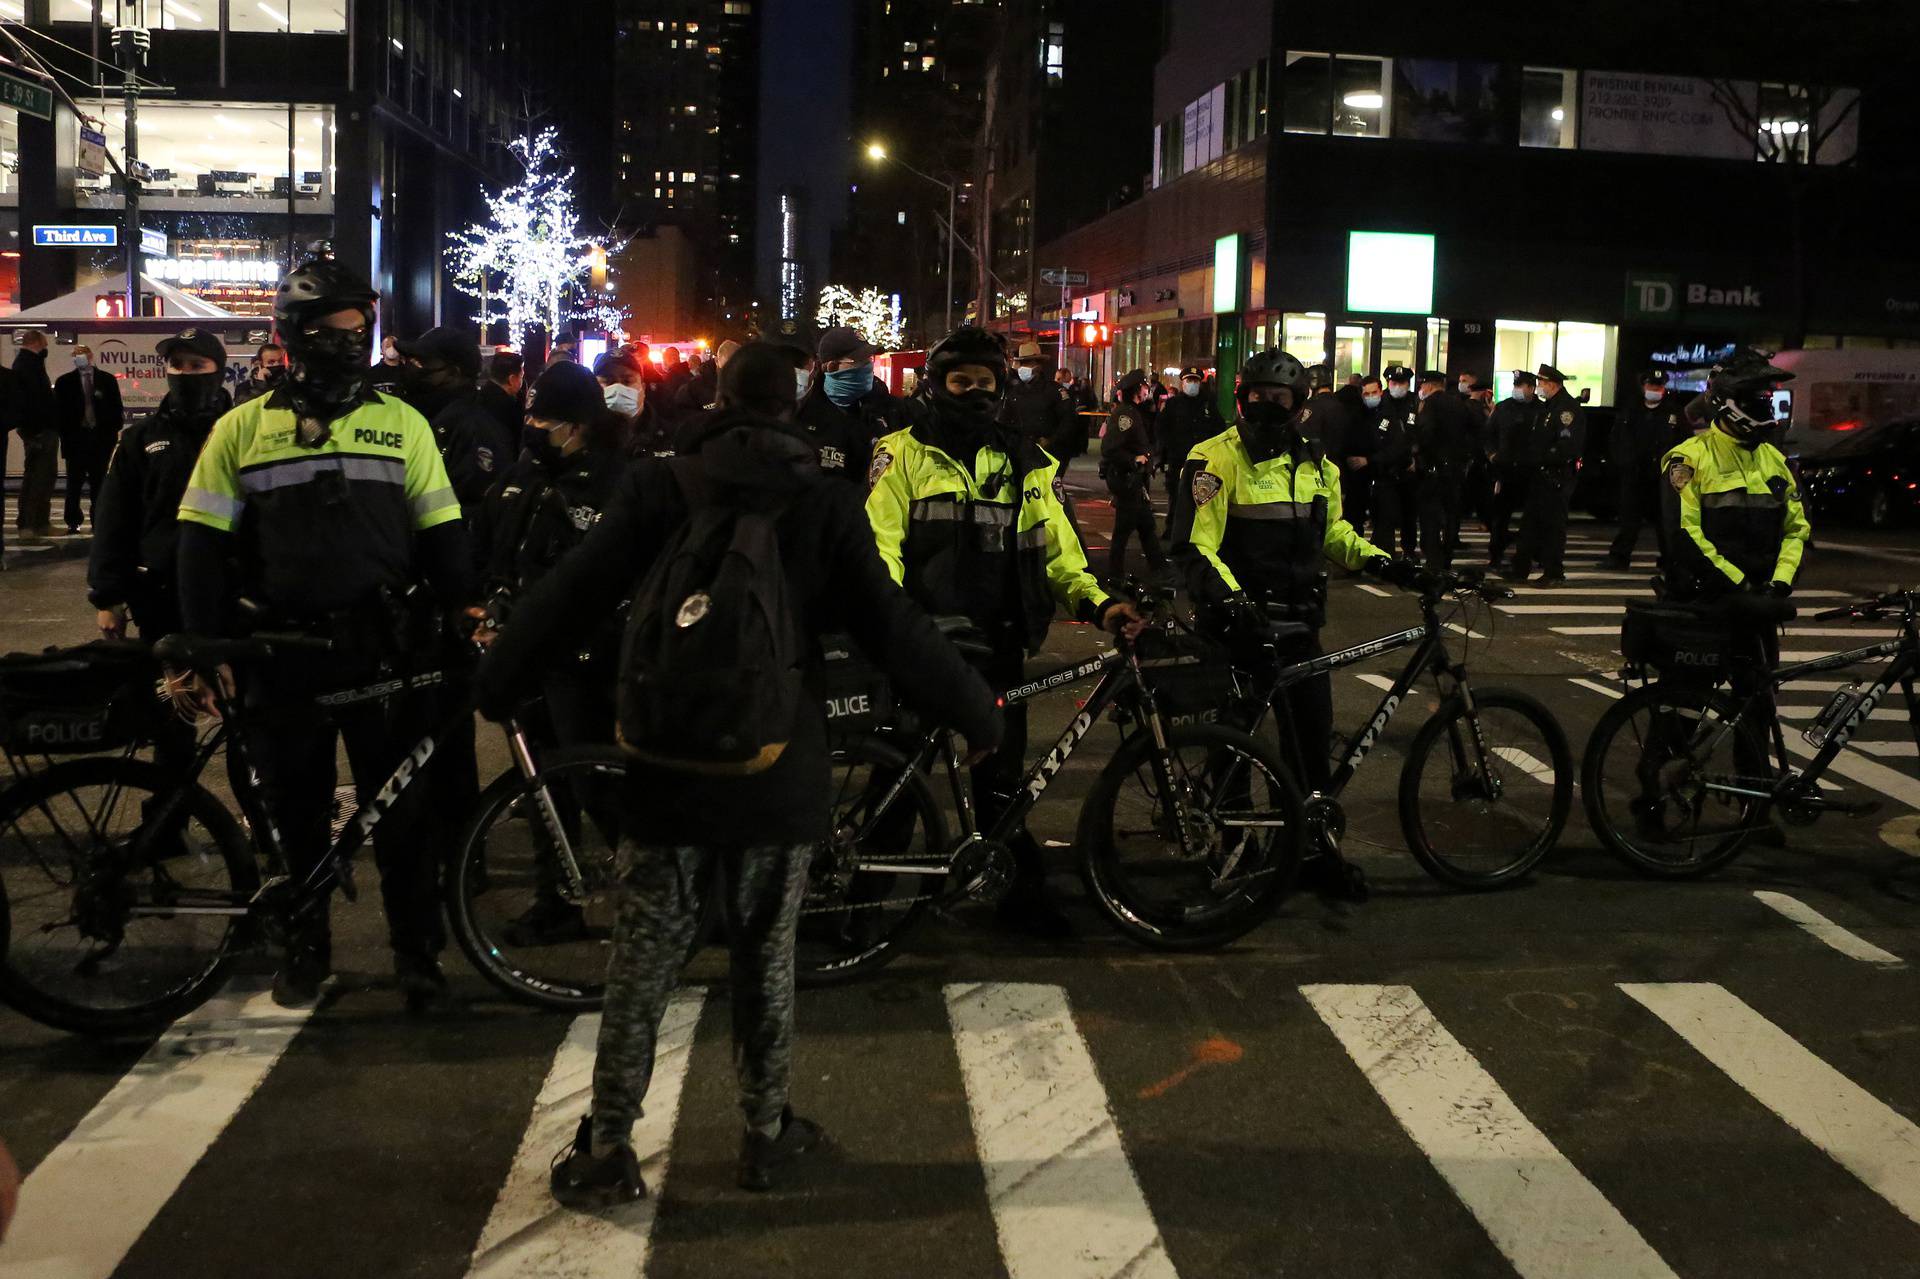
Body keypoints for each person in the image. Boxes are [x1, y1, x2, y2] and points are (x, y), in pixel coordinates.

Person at [473, 342, 1002, 1202]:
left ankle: (608, 1146)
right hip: (776, 764)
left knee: (643, 962)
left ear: (718, 398)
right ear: (793, 403)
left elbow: (573, 586)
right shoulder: (825, 502)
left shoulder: (659, 483)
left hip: (664, 760)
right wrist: (975, 710)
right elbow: (891, 625)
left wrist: (499, 679)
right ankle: (766, 1133)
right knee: (765, 959)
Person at [174, 256, 476, 1014]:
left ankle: (418, 957)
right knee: (296, 813)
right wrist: (206, 646)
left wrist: (464, 610)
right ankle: (306, 951)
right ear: (294, 337)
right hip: (283, 653)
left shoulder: (402, 422)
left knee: (404, 816)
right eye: (333, 330)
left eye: (360, 329)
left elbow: (442, 532)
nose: (350, 342)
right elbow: (200, 546)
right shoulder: (240, 427)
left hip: (385, 650)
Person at [868, 327, 1146, 935]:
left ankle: (1016, 897)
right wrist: (895, 624)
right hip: (924, 646)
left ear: (1000, 389)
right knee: (897, 776)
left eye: (983, 383)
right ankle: (858, 895)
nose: (971, 392)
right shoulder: (901, 454)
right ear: (935, 385)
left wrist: (1101, 605)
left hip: (997, 642)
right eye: (958, 381)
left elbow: (1059, 554)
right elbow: (881, 547)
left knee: (1000, 780)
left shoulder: (1028, 462)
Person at [1169, 349, 1415, 799]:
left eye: (1278, 397)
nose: (1266, 404)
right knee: (1231, 761)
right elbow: (1195, 546)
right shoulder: (1214, 459)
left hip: (1300, 633)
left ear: (1299, 403)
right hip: (1237, 634)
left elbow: (1335, 532)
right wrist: (1234, 602)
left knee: (1307, 759)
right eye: (1256, 395)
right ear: (1241, 399)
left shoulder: (1318, 465)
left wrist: (1390, 565)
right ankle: (1231, 853)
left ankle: (1306, 857)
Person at [473, 360, 631, 944]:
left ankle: (660, 895)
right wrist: (492, 602)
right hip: (528, 652)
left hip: (588, 658)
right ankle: (556, 899)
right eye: (532, 413)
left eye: (548, 417)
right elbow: (496, 547)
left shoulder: (615, 481)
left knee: (597, 783)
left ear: (580, 424)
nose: (535, 424)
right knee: (540, 782)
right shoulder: (522, 475)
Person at [90, 328, 233, 645]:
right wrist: (108, 596)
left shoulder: (240, 430)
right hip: (161, 591)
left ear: (218, 372)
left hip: (232, 588)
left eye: (197, 366)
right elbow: (115, 517)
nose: (184, 374)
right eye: (177, 365)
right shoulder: (140, 438)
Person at [395, 325, 510, 522]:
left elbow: (470, 513)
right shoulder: (423, 417)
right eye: (409, 361)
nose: (411, 369)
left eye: (421, 363)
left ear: (454, 373)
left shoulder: (474, 430)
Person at [1600, 369, 1691, 570]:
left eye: (1658, 387)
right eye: (1651, 386)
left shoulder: (1674, 413)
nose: (1654, 390)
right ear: (1643, 386)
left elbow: (1686, 444)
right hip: (1633, 475)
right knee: (1629, 518)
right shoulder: (1630, 411)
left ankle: (1670, 559)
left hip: (1662, 478)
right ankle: (1619, 557)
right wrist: (1623, 463)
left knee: (1665, 521)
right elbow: (1616, 440)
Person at [1506, 363, 1586, 586]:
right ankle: (1520, 568)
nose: (1539, 387)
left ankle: (1553, 572)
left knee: (1553, 526)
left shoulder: (1566, 409)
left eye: (1541, 383)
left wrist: (1542, 457)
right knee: (1530, 524)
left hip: (1556, 475)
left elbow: (1566, 445)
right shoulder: (1549, 407)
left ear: (1552, 384)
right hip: (1541, 474)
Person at [797, 325, 903, 484]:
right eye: (859, 361)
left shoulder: (886, 409)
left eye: (869, 359)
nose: (868, 366)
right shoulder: (803, 414)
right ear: (831, 367)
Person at [1101, 368, 1168, 584]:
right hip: (1127, 479)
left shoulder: (1133, 412)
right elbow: (1110, 448)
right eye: (1144, 386)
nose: (1147, 389)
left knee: (1146, 526)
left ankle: (1159, 568)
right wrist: (1134, 460)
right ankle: (1115, 574)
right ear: (1137, 389)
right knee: (1124, 529)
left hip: (1134, 481)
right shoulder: (1125, 415)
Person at [54, 342, 124, 533]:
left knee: (99, 483)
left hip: (100, 440)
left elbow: (117, 408)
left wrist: (109, 431)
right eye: (75, 354)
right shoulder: (64, 382)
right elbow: (60, 413)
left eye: (82, 353)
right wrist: (67, 434)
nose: (78, 357)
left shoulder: (107, 380)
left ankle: (98, 520)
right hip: (76, 440)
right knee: (74, 484)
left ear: (90, 356)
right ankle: (73, 521)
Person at [1414, 369, 1477, 571]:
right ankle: (1447, 555)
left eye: (1422, 386)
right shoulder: (1459, 404)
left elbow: (1425, 434)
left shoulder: (1429, 405)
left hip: (1434, 470)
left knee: (1430, 517)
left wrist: (1418, 454)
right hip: (1456, 469)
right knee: (1451, 516)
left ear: (1429, 386)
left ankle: (1433, 560)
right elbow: (1473, 433)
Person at [1484, 371, 1537, 570]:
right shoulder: (1504, 408)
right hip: (1505, 471)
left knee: (1532, 517)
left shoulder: (1541, 409)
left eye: (1522, 386)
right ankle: (1496, 554)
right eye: (1516, 385)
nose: (1518, 389)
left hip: (1530, 471)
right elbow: (1488, 435)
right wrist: (1492, 455)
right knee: (1500, 517)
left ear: (1531, 388)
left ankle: (1529, 553)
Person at [11, 330, 58, 542]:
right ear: (37, 342)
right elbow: (32, 401)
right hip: (38, 431)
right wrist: (36, 429)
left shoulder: (29, 363)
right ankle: (30, 524)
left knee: (44, 477)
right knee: (37, 478)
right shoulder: (27, 365)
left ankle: (39, 522)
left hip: (39, 429)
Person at [1156, 366, 1223, 512]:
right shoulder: (1173, 404)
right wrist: (1166, 453)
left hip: (1202, 461)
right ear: (1182, 382)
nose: (1192, 384)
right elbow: (1162, 429)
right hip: (1178, 459)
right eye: (1189, 380)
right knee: (1176, 497)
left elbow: (1218, 428)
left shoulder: (1207, 404)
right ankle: (1172, 529)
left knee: (1202, 499)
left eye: (1195, 380)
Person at [1370, 364, 1420, 560]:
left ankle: (1408, 551)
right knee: (1386, 516)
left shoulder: (1416, 403)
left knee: (1409, 515)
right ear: (1388, 383)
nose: (1398, 386)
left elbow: (1420, 434)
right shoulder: (1380, 405)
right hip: (1386, 470)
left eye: (1402, 383)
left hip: (1409, 470)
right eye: (1394, 382)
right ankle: (1386, 554)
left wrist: (1416, 458)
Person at [1000, 341, 1075, 461]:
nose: (1024, 367)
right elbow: (1004, 421)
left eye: (1029, 362)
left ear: (1039, 365)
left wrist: (1051, 440)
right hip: (1018, 454)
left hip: (1048, 455)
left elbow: (1068, 421)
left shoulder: (1054, 391)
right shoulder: (1013, 391)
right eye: (1022, 363)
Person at [1338, 374, 1384, 539]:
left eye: (1374, 393)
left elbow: (1393, 446)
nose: (1371, 397)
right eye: (1367, 394)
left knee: (1382, 523)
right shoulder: (1356, 415)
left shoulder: (1387, 412)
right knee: (1354, 519)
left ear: (1381, 391)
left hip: (1380, 474)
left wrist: (1370, 460)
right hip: (1357, 477)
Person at [479, 350, 526, 444]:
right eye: (521, 376)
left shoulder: (477, 397)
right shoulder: (510, 407)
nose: (522, 381)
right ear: (512, 379)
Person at [232, 341, 288, 407]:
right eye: (271, 362)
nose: (277, 364)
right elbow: (244, 408)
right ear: (260, 365)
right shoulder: (244, 387)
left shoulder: (289, 383)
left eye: (280, 361)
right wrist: (260, 385)